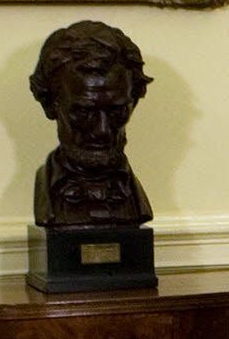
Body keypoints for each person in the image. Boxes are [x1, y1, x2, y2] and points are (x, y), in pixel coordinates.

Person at [27, 20, 151, 228]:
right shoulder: (47, 194)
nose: (102, 130)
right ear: (50, 105)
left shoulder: (135, 200)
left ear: (134, 101)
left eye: (115, 111)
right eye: (84, 112)